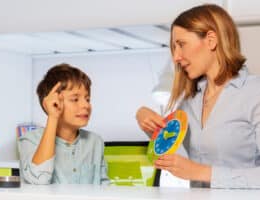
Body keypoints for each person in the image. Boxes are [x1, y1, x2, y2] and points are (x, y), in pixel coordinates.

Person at [136, 4, 260, 188]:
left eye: (181, 45)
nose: (176, 57)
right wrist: (147, 122)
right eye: (174, 48)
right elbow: (171, 148)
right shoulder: (190, 102)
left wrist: (201, 172)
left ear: (211, 40)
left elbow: (192, 169)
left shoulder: (254, 92)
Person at [18, 63, 109, 185]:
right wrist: (53, 117)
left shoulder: (95, 142)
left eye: (87, 99)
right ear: (53, 103)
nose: (86, 105)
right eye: (75, 99)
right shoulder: (29, 140)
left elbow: (104, 185)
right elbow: (39, 179)